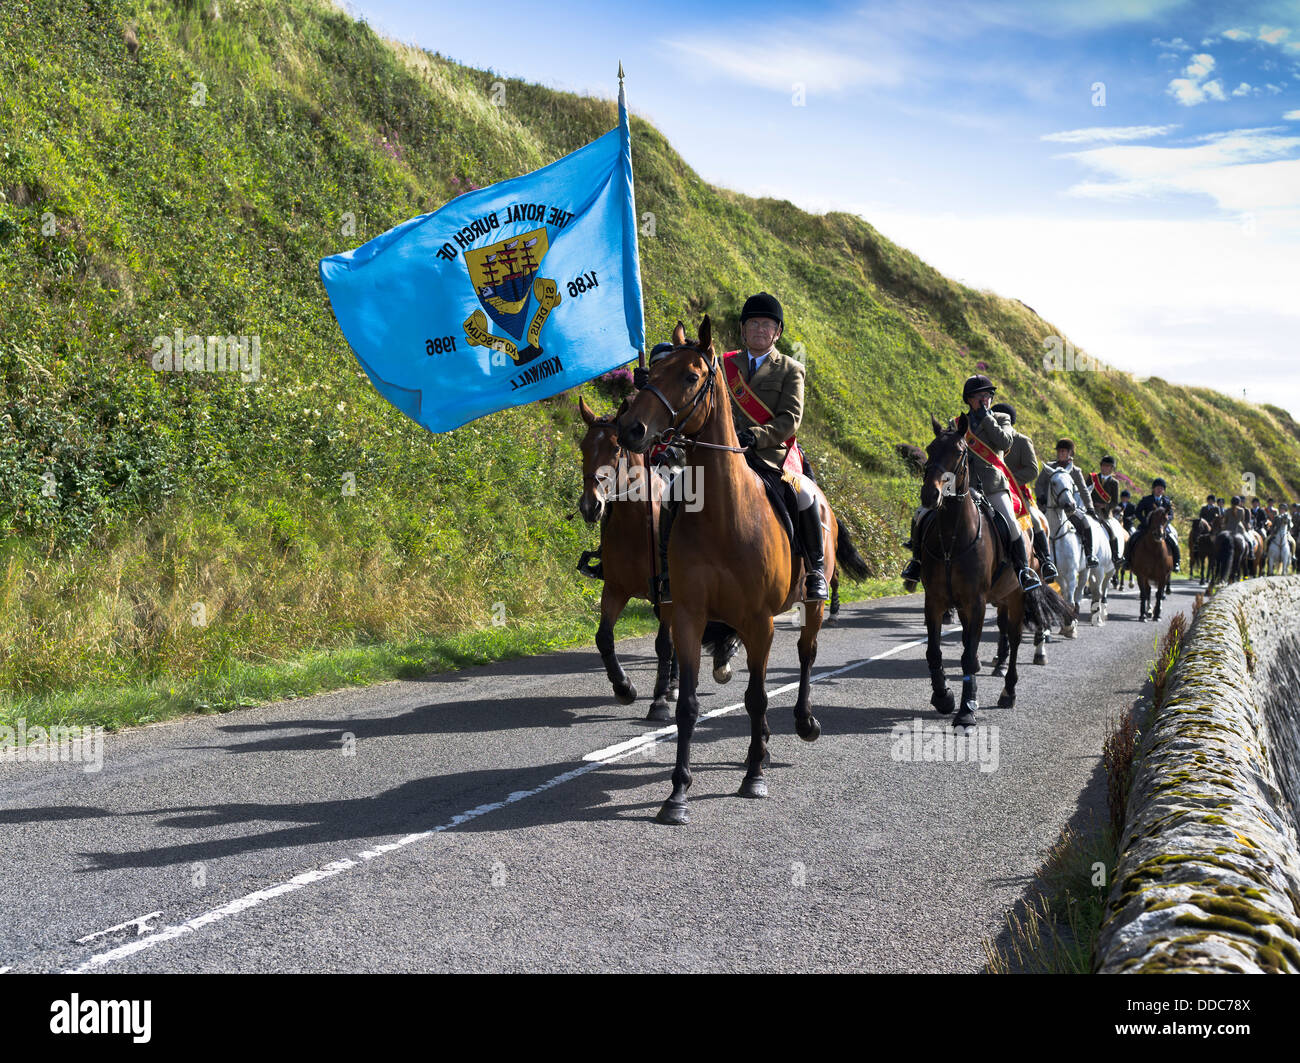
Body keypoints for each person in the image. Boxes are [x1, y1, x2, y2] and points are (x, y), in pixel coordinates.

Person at [902, 374, 1040, 591]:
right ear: (969, 399)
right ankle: (917, 563)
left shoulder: (1001, 418)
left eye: (987, 396)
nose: (984, 399)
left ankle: (1024, 570)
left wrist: (986, 417)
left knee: (1012, 524)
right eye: (979, 396)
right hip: (956, 481)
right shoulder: (956, 423)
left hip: (992, 483)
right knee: (922, 513)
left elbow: (1004, 442)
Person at [990, 402, 1057, 580]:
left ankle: (1045, 561)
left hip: (1017, 493)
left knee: (1035, 520)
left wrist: (1008, 480)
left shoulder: (1021, 440)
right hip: (990, 488)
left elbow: (1032, 470)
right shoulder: (987, 438)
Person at [1034, 438, 1100, 568]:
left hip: (1069, 509)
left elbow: (1083, 490)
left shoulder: (1075, 471)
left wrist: (1090, 507)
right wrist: (1041, 497)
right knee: (1033, 524)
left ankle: (1089, 555)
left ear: (1070, 453)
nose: (1060, 454)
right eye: (1059, 451)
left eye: (1063, 451)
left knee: (1085, 523)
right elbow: (1039, 484)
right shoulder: (1049, 467)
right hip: (1049, 507)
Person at [1125, 478, 1181, 571]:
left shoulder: (1166, 501)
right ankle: (1127, 561)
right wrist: (1145, 521)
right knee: (1133, 538)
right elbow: (1138, 512)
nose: (1160, 490)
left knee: (1173, 541)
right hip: (1147, 526)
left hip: (1163, 526)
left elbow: (1171, 515)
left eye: (1162, 488)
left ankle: (1176, 563)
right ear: (1153, 489)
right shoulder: (1146, 499)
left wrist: (1166, 521)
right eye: (1158, 488)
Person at [1088, 454, 1123, 569]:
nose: (1105, 468)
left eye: (1108, 466)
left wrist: (1104, 505)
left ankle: (1116, 555)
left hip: (1104, 513)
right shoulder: (1092, 478)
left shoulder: (1114, 483)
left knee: (1111, 532)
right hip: (1090, 510)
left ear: (1112, 468)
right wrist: (1090, 504)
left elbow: (1115, 502)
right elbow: (1085, 492)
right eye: (1103, 465)